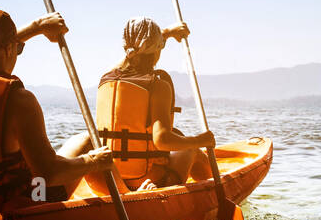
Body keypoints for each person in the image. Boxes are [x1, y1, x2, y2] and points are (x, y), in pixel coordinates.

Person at [0, 9, 115, 214]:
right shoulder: (19, 101)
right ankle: (131, 196)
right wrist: (94, 162)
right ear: (9, 48)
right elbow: (48, 173)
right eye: (18, 48)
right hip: (21, 203)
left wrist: (37, 27)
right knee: (88, 142)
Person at [65, 17, 215, 193]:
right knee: (193, 149)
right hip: (147, 182)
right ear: (157, 49)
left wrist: (166, 33)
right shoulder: (157, 86)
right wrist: (202, 140)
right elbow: (162, 140)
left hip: (106, 181)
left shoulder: (107, 78)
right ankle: (215, 185)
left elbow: (131, 54)